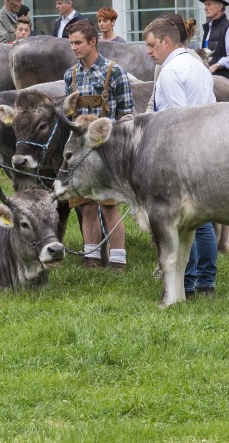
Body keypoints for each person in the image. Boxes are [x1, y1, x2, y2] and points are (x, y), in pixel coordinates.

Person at [145, 16, 218, 297]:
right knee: (204, 220)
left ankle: (187, 282)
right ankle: (206, 282)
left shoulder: (170, 71)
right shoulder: (198, 65)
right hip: (206, 146)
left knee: (181, 220)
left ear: (166, 41)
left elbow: (176, 120)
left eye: (152, 45)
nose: (149, 51)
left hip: (181, 152)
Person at [63, 19, 134, 270]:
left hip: (106, 151)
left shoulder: (114, 71)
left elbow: (127, 116)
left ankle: (117, 260)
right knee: (86, 206)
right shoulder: (70, 75)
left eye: (78, 42)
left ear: (93, 41)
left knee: (109, 206)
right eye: (71, 43)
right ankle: (91, 257)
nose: (74, 48)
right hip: (81, 153)